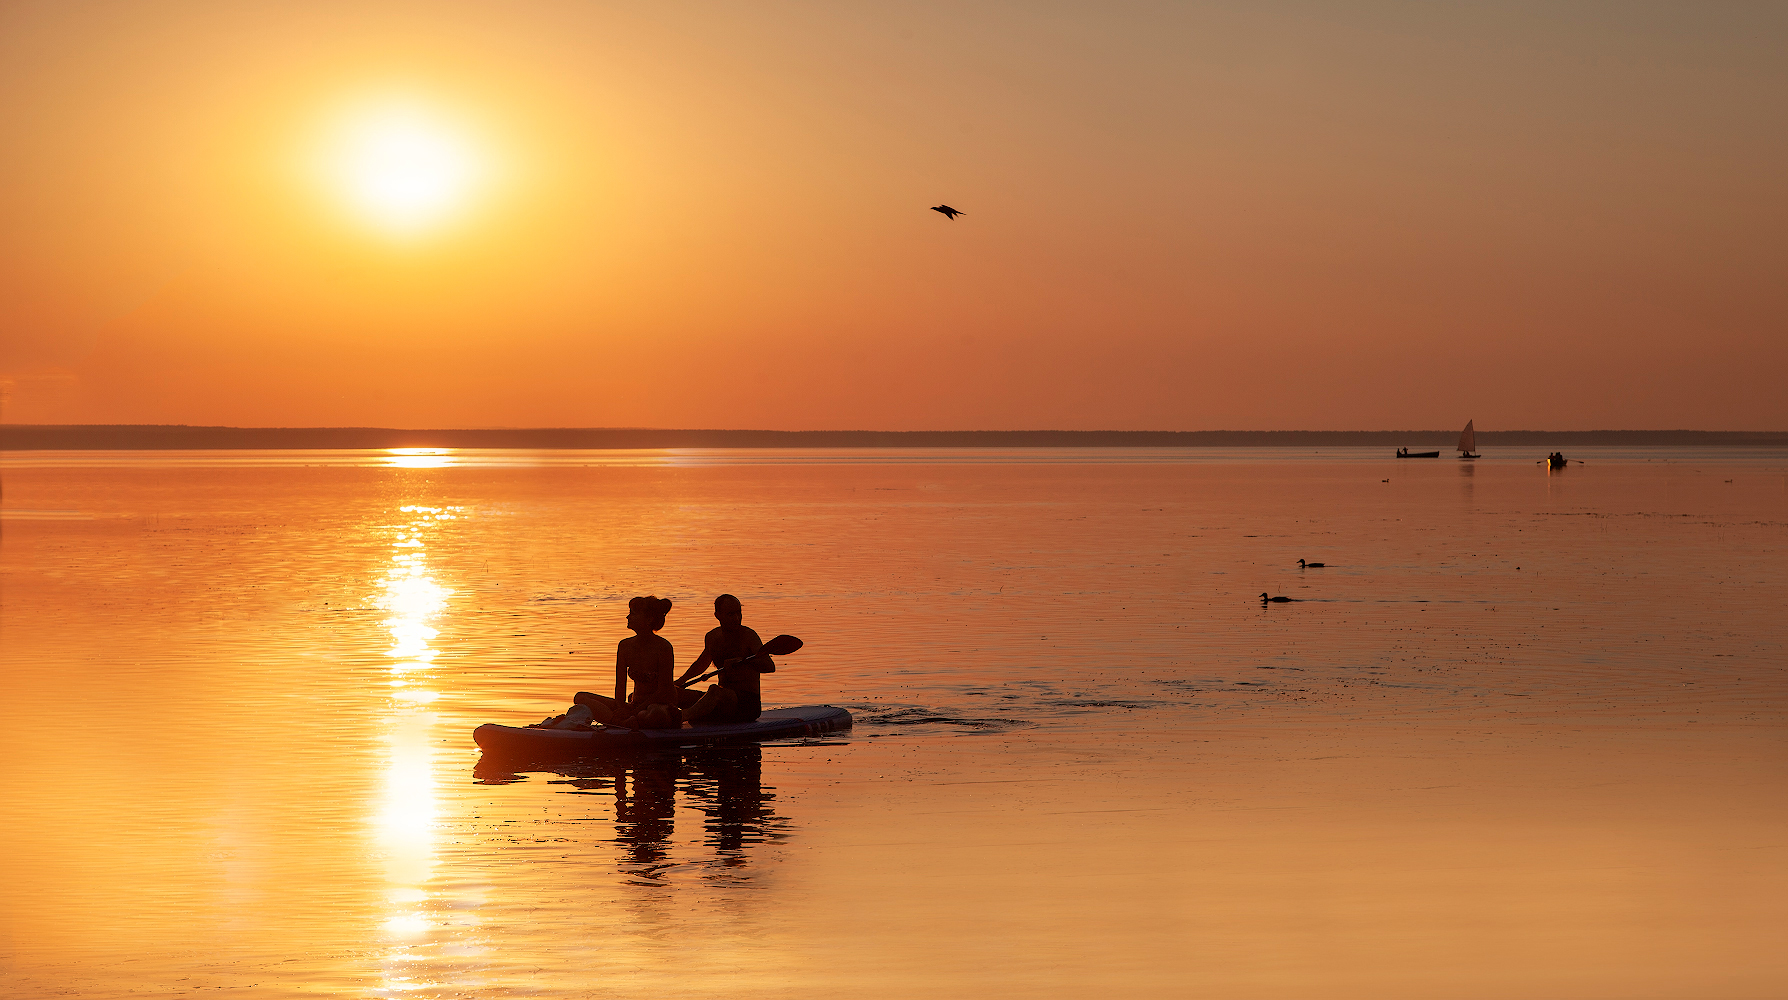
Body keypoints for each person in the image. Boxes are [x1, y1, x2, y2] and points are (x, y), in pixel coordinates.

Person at [564, 596, 683, 729]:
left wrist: (632, 712)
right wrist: (621, 708)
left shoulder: (663, 647)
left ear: (649, 619)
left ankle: (624, 720)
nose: (628, 617)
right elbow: (620, 687)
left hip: (659, 706)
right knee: (580, 698)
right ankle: (621, 723)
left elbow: (663, 691)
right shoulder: (625, 646)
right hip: (634, 705)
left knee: (655, 714)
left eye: (633, 613)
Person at [678, 594, 775, 725]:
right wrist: (679, 682)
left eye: (738, 613)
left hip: (747, 705)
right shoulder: (712, 637)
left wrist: (743, 661)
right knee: (676, 693)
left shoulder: (749, 636)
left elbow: (769, 666)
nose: (736, 618)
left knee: (715, 691)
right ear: (717, 615)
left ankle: (680, 717)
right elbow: (701, 664)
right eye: (730, 614)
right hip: (721, 701)